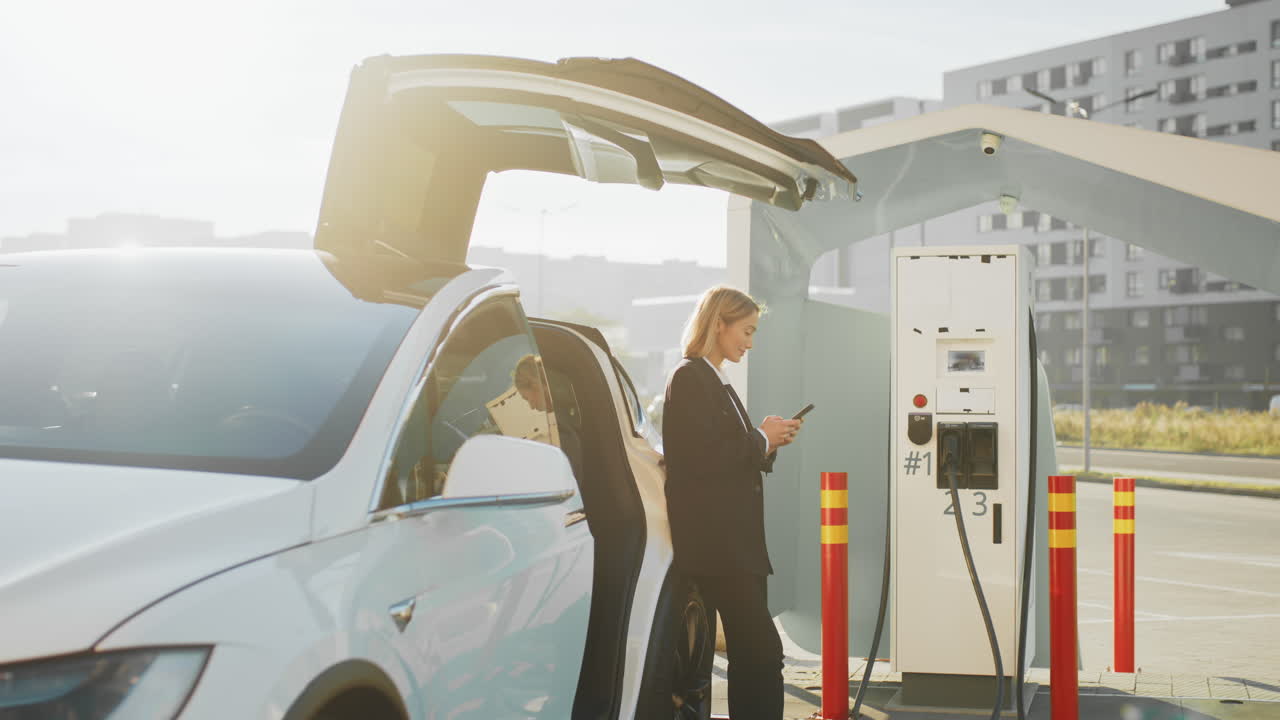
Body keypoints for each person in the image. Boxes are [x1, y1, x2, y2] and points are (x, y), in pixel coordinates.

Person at [662, 285, 802, 720]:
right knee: (760, 652)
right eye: (746, 330)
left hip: (734, 545)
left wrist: (766, 442)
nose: (750, 342)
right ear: (718, 324)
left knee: (753, 652)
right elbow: (700, 459)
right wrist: (761, 438)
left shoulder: (713, 380)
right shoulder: (691, 378)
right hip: (720, 548)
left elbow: (722, 454)